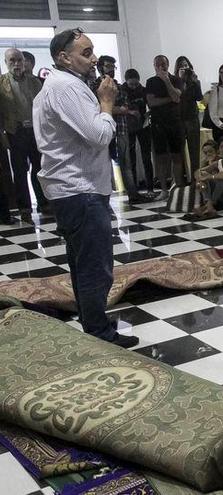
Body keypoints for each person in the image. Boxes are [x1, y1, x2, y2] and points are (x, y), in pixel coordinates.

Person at [34, 28, 138, 347]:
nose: (93, 59)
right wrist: (106, 102)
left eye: (92, 51)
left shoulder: (63, 84)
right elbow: (99, 135)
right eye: (86, 53)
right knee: (95, 268)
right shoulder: (66, 87)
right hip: (80, 190)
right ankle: (99, 334)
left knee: (84, 265)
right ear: (63, 57)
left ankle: (94, 326)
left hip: (73, 189)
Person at [93, 55, 147, 204]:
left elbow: (124, 106)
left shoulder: (117, 85)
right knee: (103, 164)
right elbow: (99, 107)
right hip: (103, 128)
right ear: (100, 68)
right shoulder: (95, 85)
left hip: (121, 128)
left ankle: (133, 194)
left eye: (113, 67)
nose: (111, 70)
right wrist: (119, 109)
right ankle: (103, 197)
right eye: (108, 66)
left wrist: (118, 109)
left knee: (126, 162)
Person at [1, 48, 49, 214]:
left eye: (19, 60)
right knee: (20, 171)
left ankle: (44, 203)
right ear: (6, 63)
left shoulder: (34, 82)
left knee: (40, 168)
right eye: (12, 60)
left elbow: (43, 107)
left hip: (35, 131)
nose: (16, 64)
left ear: (24, 62)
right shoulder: (1, 83)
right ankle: (24, 207)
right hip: (15, 132)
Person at [145, 54, 185, 199]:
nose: (162, 66)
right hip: (158, 124)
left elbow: (177, 96)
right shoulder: (151, 82)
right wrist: (170, 99)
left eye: (164, 63)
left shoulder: (176, 80)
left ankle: (179, 188)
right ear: (154, 66)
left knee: (177, 155)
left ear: (168, 64)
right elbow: (151, 103)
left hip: (174, 122)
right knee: (161, 157)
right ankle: (163, 190)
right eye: (159, 64)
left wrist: (167, 81)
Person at [121, 68, 154, 196]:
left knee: (146, 157)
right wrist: (129, 112)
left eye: (136, 84)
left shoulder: (143, 90)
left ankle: (150, 188)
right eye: (131, 84)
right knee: (131, 158)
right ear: (126, 81)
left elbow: (150, 105)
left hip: (143, 125)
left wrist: (148, 113)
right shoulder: (122, 91)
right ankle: (133, 188)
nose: (134, 87)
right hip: (128, 127)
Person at [174, 56, 203, 182]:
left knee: (194, 151)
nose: (184, 68)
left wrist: (195, 82)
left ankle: (195, 180)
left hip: (192, 118)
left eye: (186, 65)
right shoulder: (174, 81)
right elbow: (175, 98)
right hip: (178, 119)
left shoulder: (195, 81)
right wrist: (181, 80)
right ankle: (180, 181)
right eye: (181, 65)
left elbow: (199, 97)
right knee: (178, 152)